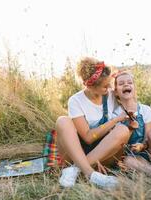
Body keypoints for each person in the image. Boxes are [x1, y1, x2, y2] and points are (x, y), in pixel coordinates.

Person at [55, 57, 131, 188]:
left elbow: (131, 100)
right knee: (62, 121)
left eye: (110, 84)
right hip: (77, 151)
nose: (109, 89)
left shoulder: (112, 95)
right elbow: (88, 138)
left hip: (101, 154)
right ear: (89, 86)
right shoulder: (76, 101)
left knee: (123, 130)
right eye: (105, 86)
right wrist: (115, 120)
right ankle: (91, 174)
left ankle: (75, 170)